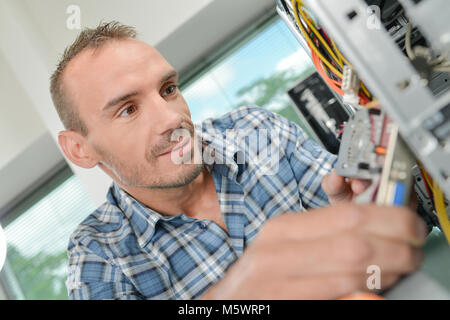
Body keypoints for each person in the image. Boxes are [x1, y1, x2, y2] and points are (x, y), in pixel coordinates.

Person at [50, 21, 427, 300]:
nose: (171, 119)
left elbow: (388, 254)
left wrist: (375, 212)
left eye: (168, 89)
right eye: (128, 109)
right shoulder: (99, 253)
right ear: (80, 149)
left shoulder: (256, 131)